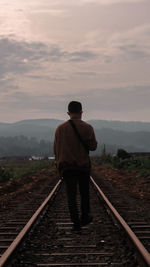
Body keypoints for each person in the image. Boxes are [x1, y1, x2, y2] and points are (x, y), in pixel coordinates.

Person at [54, 101, 97, 232]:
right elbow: (93, 147)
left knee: (71, 196)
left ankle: (76, 224)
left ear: (68, 113)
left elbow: (56, 150)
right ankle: (84, 217)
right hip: (83, 166)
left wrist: (59, 167)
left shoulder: (60, 129)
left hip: (67, 167)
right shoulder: (88, 127)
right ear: (81, 112)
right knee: (84, 193)